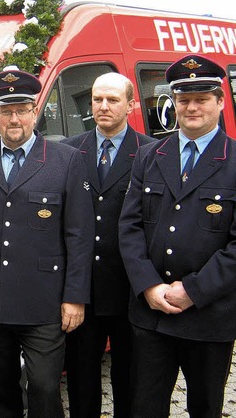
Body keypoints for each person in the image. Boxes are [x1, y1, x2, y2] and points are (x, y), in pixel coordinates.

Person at [0, 67, 95, 418]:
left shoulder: (66, 160)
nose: (14, 118)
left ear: (35, 112)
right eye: (6, 111)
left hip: (44, 303)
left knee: (44, 388)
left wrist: (75, 297)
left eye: (21, 109)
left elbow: (79, 235)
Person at [119, 55, 236, 417]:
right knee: (145, 407)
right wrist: (149, 287)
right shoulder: (151, 156)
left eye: (202, 98)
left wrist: (193, 291)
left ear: (219, 102)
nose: (192, 107)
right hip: (152, 315)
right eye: (184, 99)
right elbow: (130, 227)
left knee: (204, 407)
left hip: (208, 316)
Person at [61, 72, 155, 418]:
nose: (102, 106)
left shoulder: (151, 152)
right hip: (82, 291)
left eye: (112, 100)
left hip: (130, 291)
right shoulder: (69, 152)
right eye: (97, 99)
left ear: (130, 105)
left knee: (130, 381)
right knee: (82, 383)